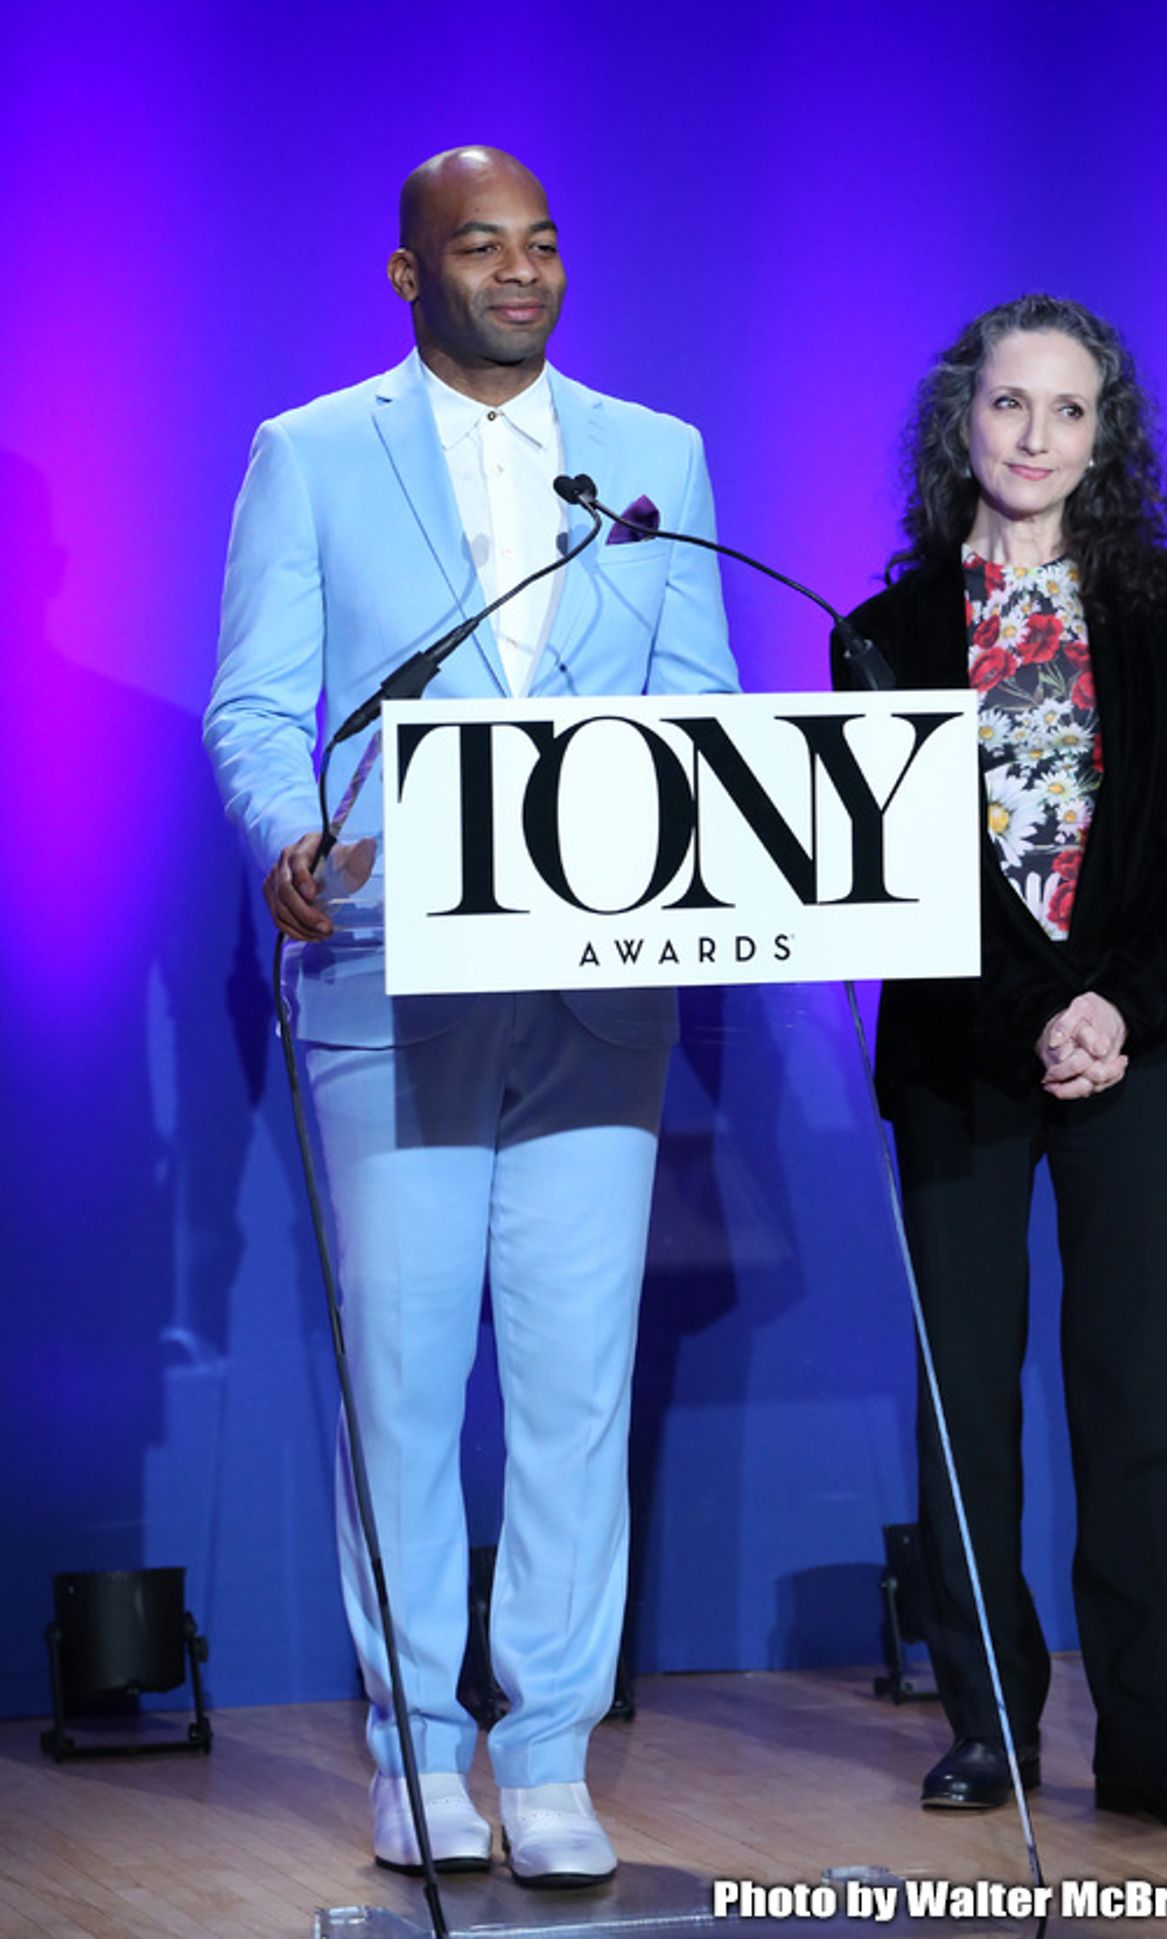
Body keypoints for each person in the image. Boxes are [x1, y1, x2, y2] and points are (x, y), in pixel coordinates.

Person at [205, 146, 737, 1884]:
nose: (521, 272)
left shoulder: (654, 455)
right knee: (407, 1385)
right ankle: (420, 1753)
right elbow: (256, 705)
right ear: (408, 273)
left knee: (578, 1390)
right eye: (482, 246)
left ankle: (552, 1754)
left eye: (544, 245)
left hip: (600, 995)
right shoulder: (310, 452)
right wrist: (288, 834)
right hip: (386, 977)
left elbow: (700, 707)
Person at [834, 294, 1167, 1833]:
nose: (1035, 436)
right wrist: (1033, 1008)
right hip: (963, 1050)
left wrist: (1110, 1008)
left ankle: (1150, 1743)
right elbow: (910, 871)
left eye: (1068, 409)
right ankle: (990, 1728)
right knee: (967, 1407)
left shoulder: (1166, 602)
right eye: (1009, 403)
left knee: (1132, 1395)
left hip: (1133, 1037)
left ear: (1105, 435)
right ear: (963, 420)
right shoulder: (883, 633)